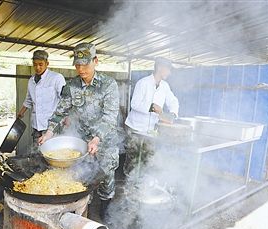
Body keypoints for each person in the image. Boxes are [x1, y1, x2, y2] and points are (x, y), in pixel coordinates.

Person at [38, 43, 120, 219]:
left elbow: (110, 117)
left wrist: (97, 138)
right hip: (82, 142)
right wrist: (49, 133)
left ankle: (105, 209)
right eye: (77, 65)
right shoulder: (71, 85)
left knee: (106, 175)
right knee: (82, 175)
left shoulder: (108, 85)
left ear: (95, 61)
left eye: (85, 64)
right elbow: (60, 112)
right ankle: (83, 208)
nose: (81, 69)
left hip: (105, 139)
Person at [123, 57, 179, 178]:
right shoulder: (143, 83)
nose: (169, 73)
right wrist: (153, 107)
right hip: (135, 128)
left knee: (147, 158)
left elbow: (173, 101)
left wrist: (173, 114)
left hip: (149, 130)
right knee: (133, 159)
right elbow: (134, 104)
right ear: (160, 68)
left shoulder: (165, 86)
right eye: (168, 70)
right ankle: (128, 186)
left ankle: (142, 185)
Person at [17, 50, 66, 146]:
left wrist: (66, 118)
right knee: (37, 152)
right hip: (36, 125)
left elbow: (65, 99)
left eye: (40, 64)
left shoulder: (56, 78)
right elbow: (29, 100)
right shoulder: (31, 81)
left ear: (47, 63)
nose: (37, 67)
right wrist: (21, 113)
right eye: (35, 64)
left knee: (52, 152)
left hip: (52, 125)